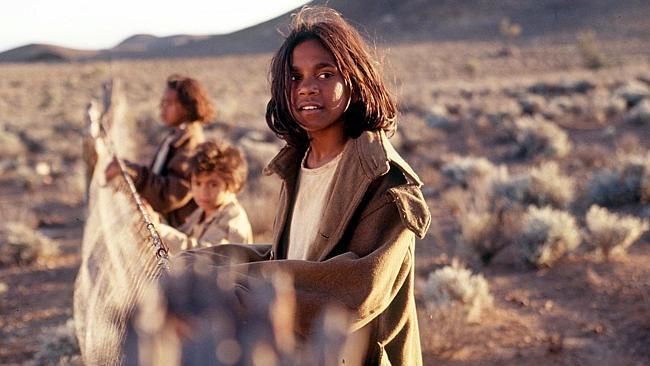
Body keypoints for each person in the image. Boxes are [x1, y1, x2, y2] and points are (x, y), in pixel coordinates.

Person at [177, 6, 430, 365]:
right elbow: (287, 260)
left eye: (325, 74)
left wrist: (233, 287)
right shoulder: (298, 166)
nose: (308, 87)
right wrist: (193, 264)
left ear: (355, 80)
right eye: (295, 77)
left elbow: (357, 289)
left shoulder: (384, 179)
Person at [105, 74, 215, 227]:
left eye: (169, 103)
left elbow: (170, 195)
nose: (162, 107)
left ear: (186, 107)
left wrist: (132, 172)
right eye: (162, 102)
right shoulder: (177, 135)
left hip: (177, 232)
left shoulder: (191, 143)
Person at [156, 140, 253, 253]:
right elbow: (182, 235)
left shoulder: (232, 219)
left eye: (213, 185)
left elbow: (205, 255)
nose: (203, 192)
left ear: (231, 185)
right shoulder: (203, 211)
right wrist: (156, 220)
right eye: (198, 183)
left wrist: (159, 229)